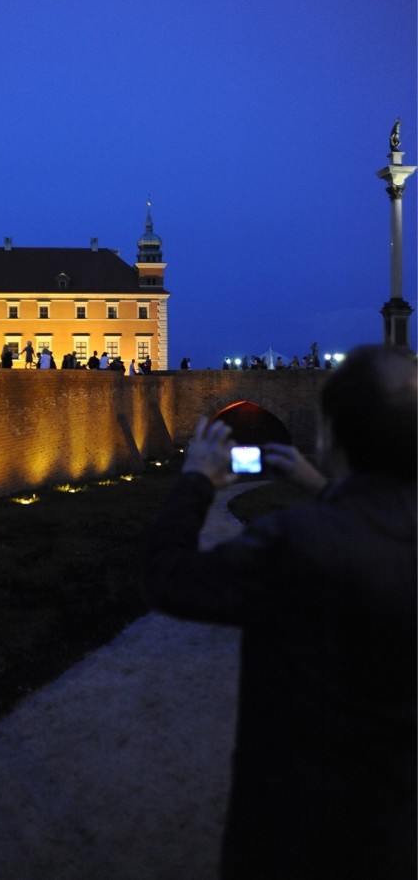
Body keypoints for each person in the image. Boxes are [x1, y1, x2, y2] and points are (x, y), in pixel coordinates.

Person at [142, 345, 416, 880]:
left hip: (293, 822)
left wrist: (195, 481)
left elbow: (167, 578)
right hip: (394, 820)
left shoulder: (296, 544)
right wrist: (322, 487)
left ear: (329, 435)